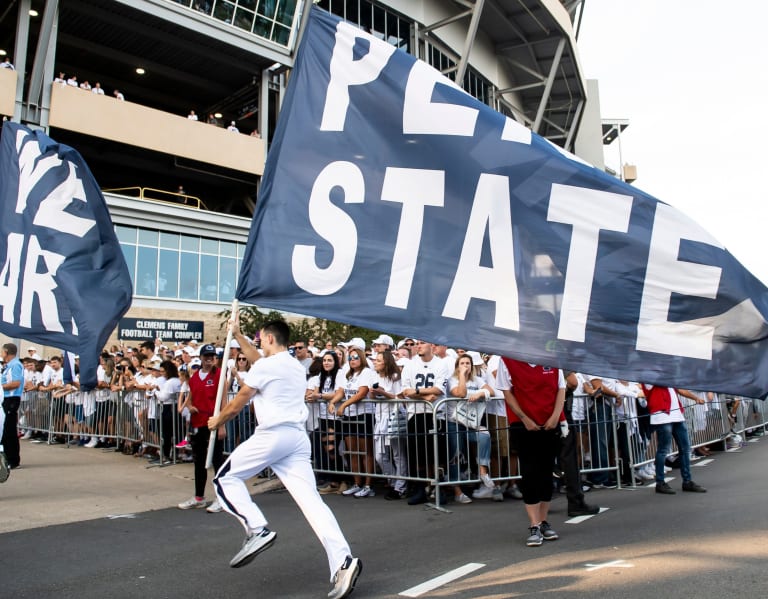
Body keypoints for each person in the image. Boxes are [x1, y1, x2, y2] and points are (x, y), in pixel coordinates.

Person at [209, 318, 362, 599]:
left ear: (268, 338)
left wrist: (219, 418)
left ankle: (257, 529)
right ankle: (343, 563)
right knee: (312, 503)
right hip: (296, 438)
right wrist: (240, 335)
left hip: (274, 435)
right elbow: (256, 360)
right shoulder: (291, 363)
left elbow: (242, 396)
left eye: (259, 339)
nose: (257, 345)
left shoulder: (268, 366)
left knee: (224, 478)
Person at [497, 358, 565, 547]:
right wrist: (524, 418)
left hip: (550, 423)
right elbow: (507, 393)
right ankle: (534, 524)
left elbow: (561, 388)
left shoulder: (550, 358)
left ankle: (543, 521)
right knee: (530, 473)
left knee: (546, 471)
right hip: (523, 425)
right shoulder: (507, 360)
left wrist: (555, 417)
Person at [177, 344, 225, 510]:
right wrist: (189, 406)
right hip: (198, 423)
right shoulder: (195, 377)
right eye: (206, 356)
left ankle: (221, 498)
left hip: (212, 422)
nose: (209, 359)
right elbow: (190, 397)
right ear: (201, 357)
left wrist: (221, 425)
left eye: (212, 356)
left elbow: (224, 400)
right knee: (199, 461)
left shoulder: (219, 375)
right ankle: (199, 496)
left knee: (217, 461)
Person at [640, 384, 707, 495]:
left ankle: (687, 481)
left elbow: (680, 389)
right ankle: (660, 482)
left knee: (685, 448)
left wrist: (696, 398)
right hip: (662, 415)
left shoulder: (668, 375)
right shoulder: (650, 375)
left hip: (677, 415)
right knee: (663, 450)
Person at [2, 343, 24, 470]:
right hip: (5, 399)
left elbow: (16, 383)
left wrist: (1, 387)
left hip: (11, 399)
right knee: (4, 430)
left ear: (6, 352)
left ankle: (13, 460)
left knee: (9, 430)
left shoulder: (15, 365)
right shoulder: (8, 366)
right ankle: (5, 458)